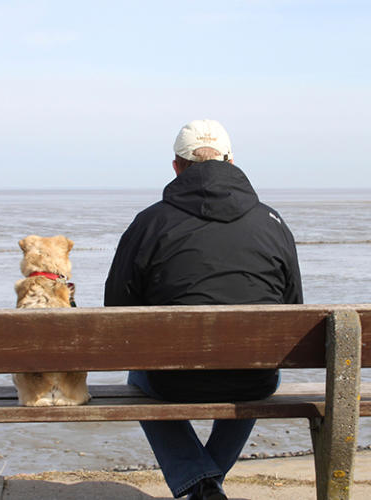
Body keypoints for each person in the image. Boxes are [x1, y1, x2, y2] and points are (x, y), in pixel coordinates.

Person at [104, 119, 303, 500]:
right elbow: (293, 309)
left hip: (171, 381)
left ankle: (198, 479)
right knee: (263, 375)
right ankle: (206, 482)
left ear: (177, 166)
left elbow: (117, 313)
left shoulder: (149, 223)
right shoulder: (272, 223)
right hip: (253, 378)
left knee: (137, 380)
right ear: (231, 161)